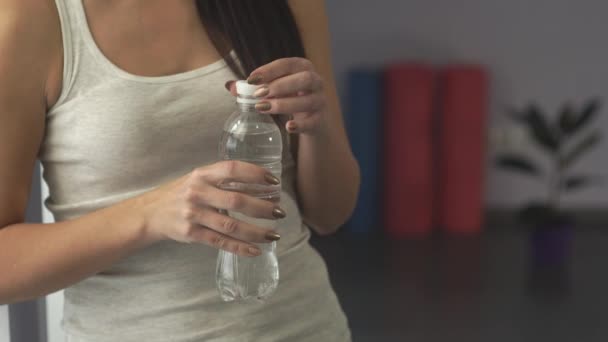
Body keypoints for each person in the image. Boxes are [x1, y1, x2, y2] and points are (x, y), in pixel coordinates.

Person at [0, 0, 360, 341]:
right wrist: (150, 214)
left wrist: (318, 126)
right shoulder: (30, 18)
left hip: (307, 326)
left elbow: (331, 213)